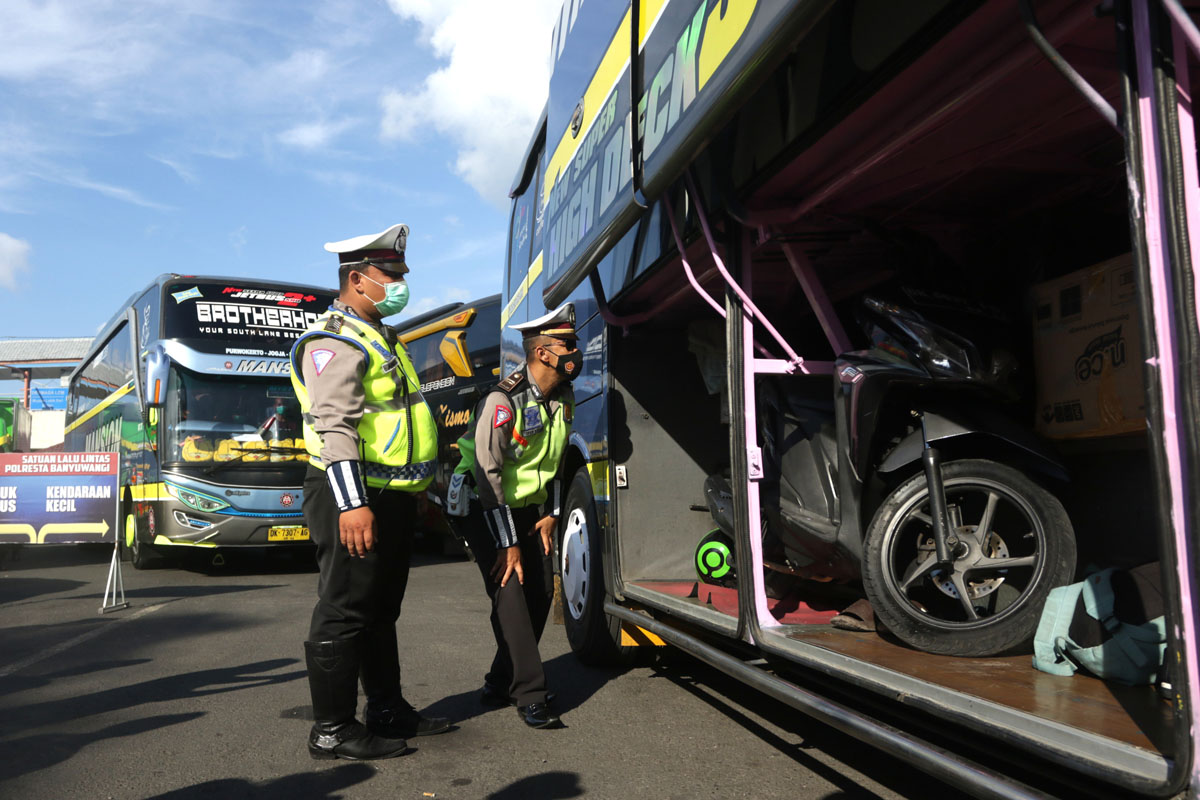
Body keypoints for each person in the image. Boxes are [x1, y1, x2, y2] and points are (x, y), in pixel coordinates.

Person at [289, 222, 448, 760]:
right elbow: (335, 426)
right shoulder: (333, 340)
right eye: (393, 275)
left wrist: (414, 491)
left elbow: (399, 424)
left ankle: (385, 708)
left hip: (390, 495)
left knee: (381, 607)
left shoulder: (381, 334)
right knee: (346, 607)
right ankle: (332, 728)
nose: (402, 283)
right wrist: (353, 503)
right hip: (350, 493)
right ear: (358, 279)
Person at [445, 302, 581, 729]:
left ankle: (499, 682)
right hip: (479, 503)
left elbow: (558, 459)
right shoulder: (503, 400)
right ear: (543, 352)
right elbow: (487, 475)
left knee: (541, 592)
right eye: (569, 344)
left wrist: (552, 513)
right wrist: (508, 543)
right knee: (511, 592)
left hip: (529, 508)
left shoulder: (563, 395)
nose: (577, 350)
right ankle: (530, 694)